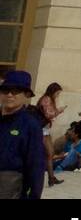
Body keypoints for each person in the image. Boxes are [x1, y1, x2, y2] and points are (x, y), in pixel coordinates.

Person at [0, 70, 45, 198]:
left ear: (26, 94)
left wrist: (33, 196)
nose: (9, 95)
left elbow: (36, 166)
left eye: (15, 91)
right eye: (5, 90)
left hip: (9, 189)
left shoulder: (30, 125)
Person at [36, 82, 64, 186]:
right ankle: (50, 178)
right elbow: (48, 114)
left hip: (46, 129)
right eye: (57, 93)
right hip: (42, 129)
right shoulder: (47, 99)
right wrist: (59, 111)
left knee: (49, 154)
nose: (57, 96)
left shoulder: (48, 99)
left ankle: (51, 178)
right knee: (49, 154)